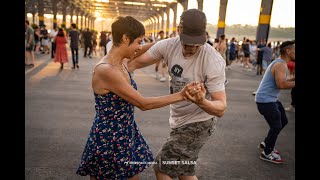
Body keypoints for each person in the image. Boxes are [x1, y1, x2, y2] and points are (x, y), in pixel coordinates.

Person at [75, 16, 202, 180]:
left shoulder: (122, 60)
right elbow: (143, 103)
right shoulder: (106, 70)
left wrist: (179, 38)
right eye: (138, 41)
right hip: (109, 139)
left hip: (125, 133)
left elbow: (154, 47)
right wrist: (181, 95)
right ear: (125, 38)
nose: (139, 47)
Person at [128, 9, 227, 180]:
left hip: (199, 123)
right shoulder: (168, 45)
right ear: (179, 30)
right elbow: (133, 62)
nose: (190, 48)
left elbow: (221, 107)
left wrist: (201, 101)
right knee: (184, 172)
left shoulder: (213, 60)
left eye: (196, 44)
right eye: (187, 43)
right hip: (178, 120)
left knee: (162, 167)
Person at [255, 40, 295, 164]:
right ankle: (267, 152)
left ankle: (267, 142)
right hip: (265, 101)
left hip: (270, 99)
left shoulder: (280, 63)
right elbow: (281, 84)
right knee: (276, 125)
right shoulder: (280, 64)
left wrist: (293, 79)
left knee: (283, 121)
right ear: (288, 51)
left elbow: (283, 79)